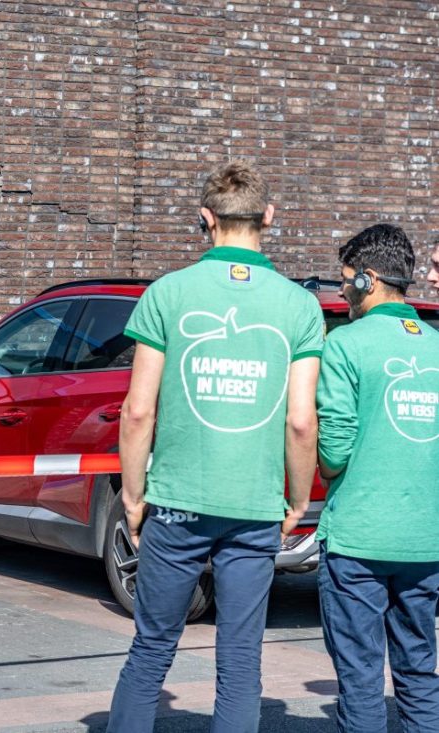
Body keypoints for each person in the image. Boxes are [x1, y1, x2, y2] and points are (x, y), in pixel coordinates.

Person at [106, 161, 323, 732]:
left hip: (176, 501)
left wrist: (134, 496)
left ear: (205, 220)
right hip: (254, 506)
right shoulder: (299, 308)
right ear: (268, 217)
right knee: (240, 660)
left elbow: (138, 410)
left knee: (152, 647)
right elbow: (302, 422)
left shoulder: (167, 293)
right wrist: (296, 502)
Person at [316, 224, 439, 732]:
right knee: (419, 674)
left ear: (368, 281)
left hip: (358, 540)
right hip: (425, 542)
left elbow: (335, 451)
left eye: (346, 281)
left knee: (362, 679)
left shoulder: (345, 345)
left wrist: (323, 464)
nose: (342, 291)